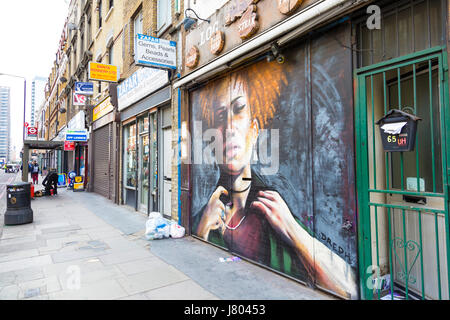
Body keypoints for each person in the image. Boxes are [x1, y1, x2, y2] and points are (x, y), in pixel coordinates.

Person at [193, 61, 357, 299]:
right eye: (220, 116)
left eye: (238, 110)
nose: (229, 127)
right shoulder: (206, 214)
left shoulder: (275, 208)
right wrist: (200, 231)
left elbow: (349, 289)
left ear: (254, 128)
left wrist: (293, 232)